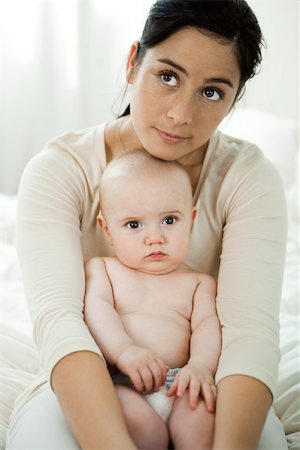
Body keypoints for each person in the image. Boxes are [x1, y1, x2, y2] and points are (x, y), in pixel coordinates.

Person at [6, 1, 288, 449]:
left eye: (212, 92)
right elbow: (61, 323)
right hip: (90, 378)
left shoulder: (247, 178)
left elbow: (249, 335)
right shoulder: (60, 170)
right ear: (133, 62)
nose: (180, 114)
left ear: (235, 98)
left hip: (203, 386)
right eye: (168, 76)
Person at [84, 150, 221, 449]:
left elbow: (207, 326)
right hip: (123, 379)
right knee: (144, 431)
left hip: (180, 383)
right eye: (134, 225)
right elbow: (97, 311)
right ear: (107, 230)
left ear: (192, 220)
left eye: (169, 220)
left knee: (199, 421)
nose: (154, 237)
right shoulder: (104, 270)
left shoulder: (199, 283)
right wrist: (124, 351)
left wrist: (200, 366)